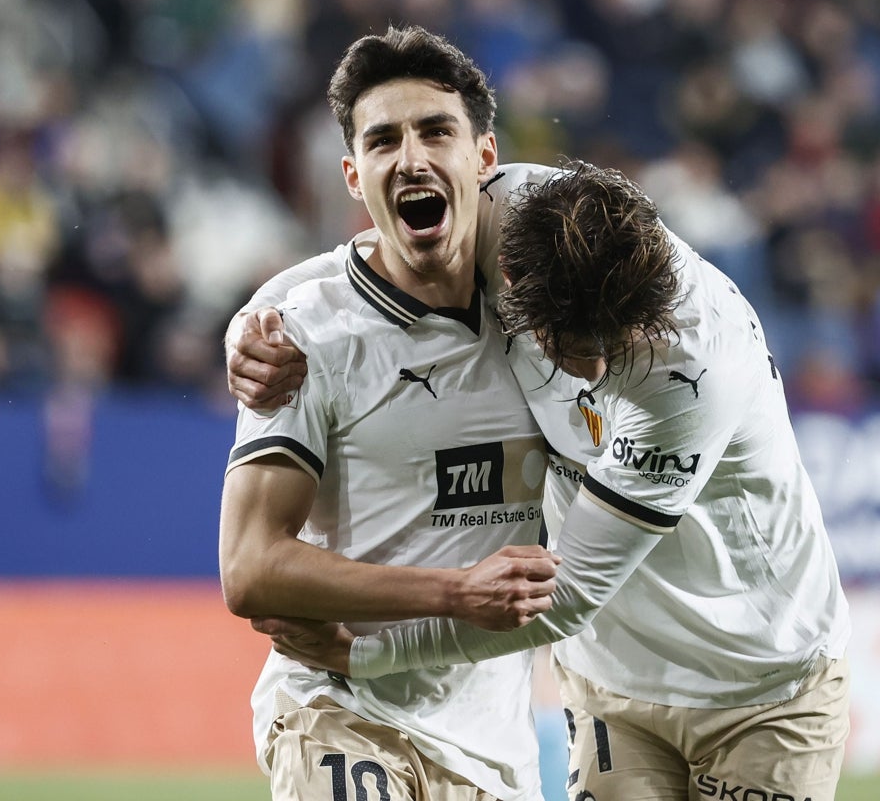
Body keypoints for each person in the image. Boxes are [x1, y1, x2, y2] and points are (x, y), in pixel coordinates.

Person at [230, 162, 852, 801]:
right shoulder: (506, 208)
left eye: (613, 341)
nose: (592, 368)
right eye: (571, 343)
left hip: (760, 679)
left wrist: (363, 656)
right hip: (611, 681)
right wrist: (254, 329)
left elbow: (571, 592)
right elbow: (364, 258)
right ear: (511, 280)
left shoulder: (691, 373)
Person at [220, 26, 561, 801]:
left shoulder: (551, 318)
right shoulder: (303, 338)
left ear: (484, 157)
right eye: (382, 141)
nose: (410, 157)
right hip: (341, 706)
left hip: (492, 747)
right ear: (353, 176)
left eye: (436, 130)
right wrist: (454, 591)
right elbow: (248, 569)